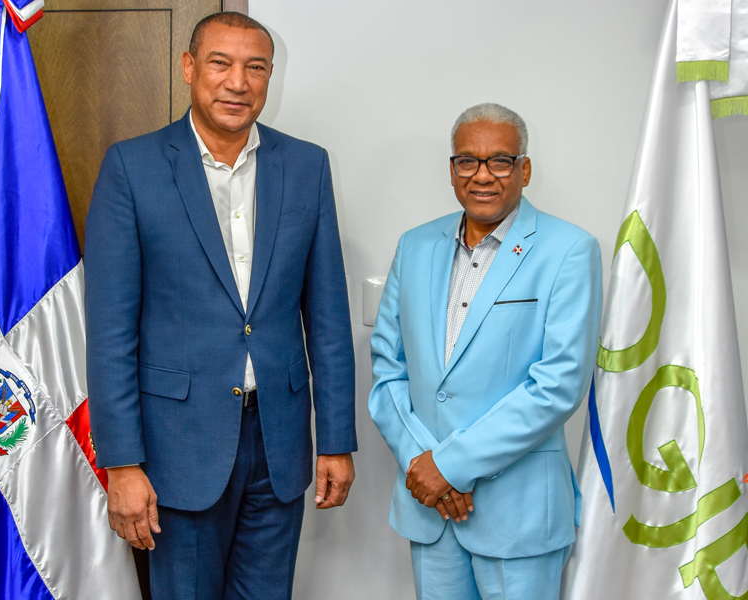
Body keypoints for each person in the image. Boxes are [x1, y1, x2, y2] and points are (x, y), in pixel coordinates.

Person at [84, 12, 356, 600]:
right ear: (188, 69)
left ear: (270, 78)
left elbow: (329, 319)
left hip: (278, 442)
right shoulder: (132, 168)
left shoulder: (307, 166)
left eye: (255, 67)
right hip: (176, 447)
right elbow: (110, 333)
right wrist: (123, 464)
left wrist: (336, 438)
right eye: (220, 63)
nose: (238, 82)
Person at [369, 103, 603, 600]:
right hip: (429, 506)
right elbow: (388, 368)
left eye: (500, 161)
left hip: (518, 515)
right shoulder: (415, 245)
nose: (483, 175)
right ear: (451, 169)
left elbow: (558, 385)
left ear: (525, 169)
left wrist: (450, 465)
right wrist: (423, 465)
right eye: (467, 161)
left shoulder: (569, 249)